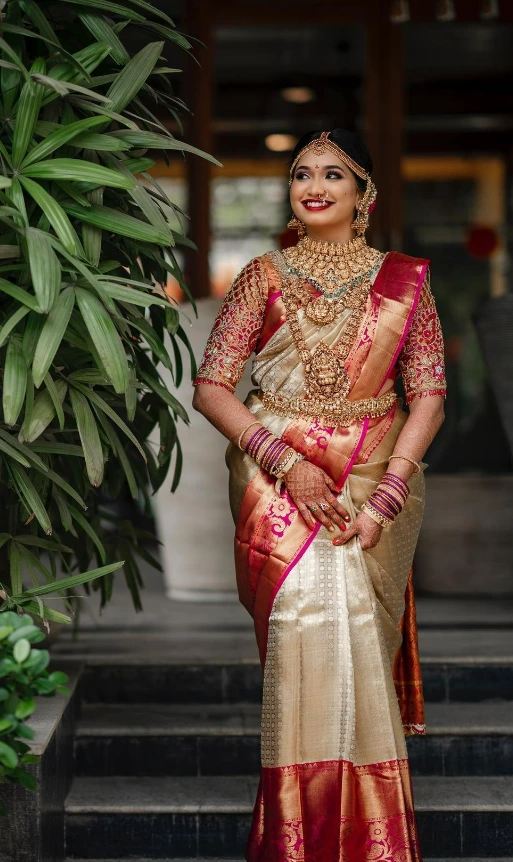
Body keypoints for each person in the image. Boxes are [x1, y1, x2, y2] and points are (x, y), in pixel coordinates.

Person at [192, 129, 446, 861]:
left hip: (371, 478)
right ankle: (295, 840)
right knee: (301, 630)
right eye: (301, 172)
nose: (314, 185)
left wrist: (386, 497)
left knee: (359, 642)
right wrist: (283, 461)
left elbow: (426, 397)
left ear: (362, 195)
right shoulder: (260, 276)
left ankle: (372, 844)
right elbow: (213, 387)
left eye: (333, 174)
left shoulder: (406, 281)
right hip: (278, 483)